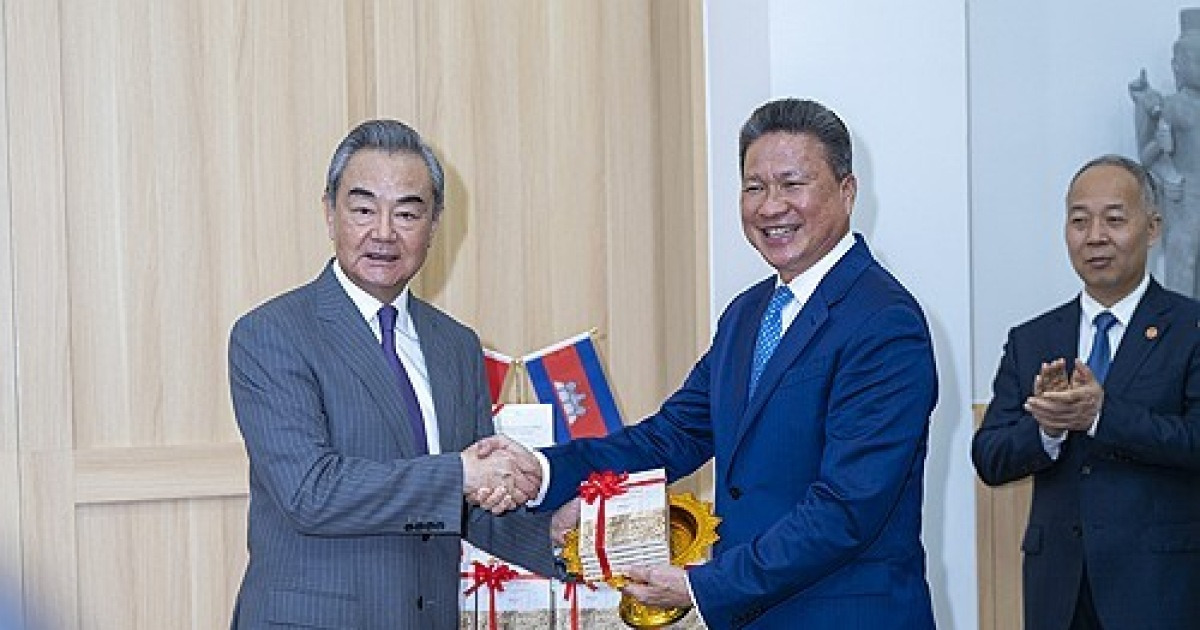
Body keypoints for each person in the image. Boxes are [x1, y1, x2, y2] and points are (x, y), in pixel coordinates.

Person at [483, 98, 938, 628]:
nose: (771, 207)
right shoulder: (748, 313)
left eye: (792, 184)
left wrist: (704, 584)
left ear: (847, 191)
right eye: (754, 187)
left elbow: (845, 509)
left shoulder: (884, 321)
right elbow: (671, 438)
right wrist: (542, 470)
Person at [228, 119, 555, 629]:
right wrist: (462, 473)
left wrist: (558, 534)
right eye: (363, 209)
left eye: (407, 212)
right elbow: (310, 492)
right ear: (330, 214)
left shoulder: (456, 344)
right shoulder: (272, 334)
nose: (384, 231)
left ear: (435, 224)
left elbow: (465, 503)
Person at [972, 155, 1200, 630]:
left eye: (1114, 219)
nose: (1095, 235)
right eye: (1079, 220)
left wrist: (1102, 416)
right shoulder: (1031, 339)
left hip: (1159, 590)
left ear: (1152, 227)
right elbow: (990, 456)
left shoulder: (1189, 329)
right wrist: (1047, 430)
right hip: (1058, 591)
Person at [1129, 8, 1200, 299]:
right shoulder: (1168, 106)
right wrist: (1160, 144)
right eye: (1193, 59)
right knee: (1183, 263)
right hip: (1184, 197)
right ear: (1177, 66)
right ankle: (1181, 335)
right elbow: (1146, 159)